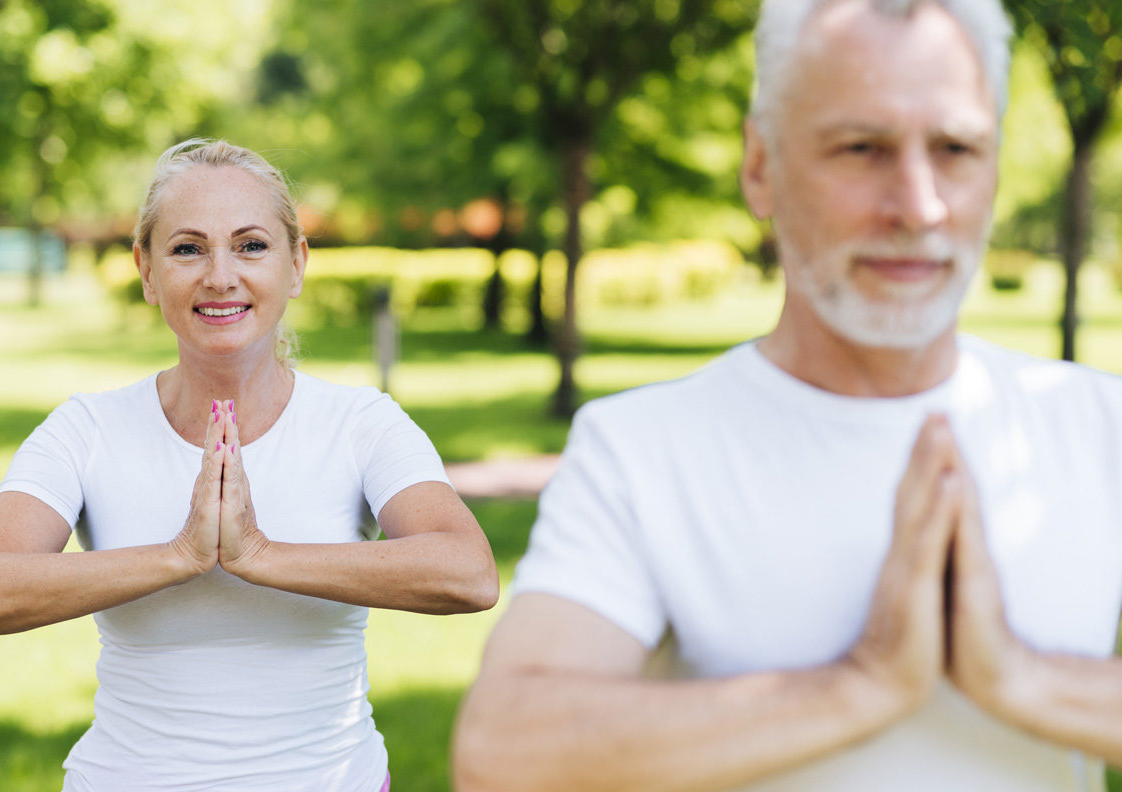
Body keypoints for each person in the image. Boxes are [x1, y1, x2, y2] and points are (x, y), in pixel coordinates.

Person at [453, 1, 1122, 790]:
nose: (918, 204)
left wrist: (1016, 677)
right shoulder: (642, 450)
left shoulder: (1098, 424)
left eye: (955, 148)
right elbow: (504, 752)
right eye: (862, 147)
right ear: (760, 166)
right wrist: (865, 682)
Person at [0, 139, 499, 792]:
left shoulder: (360, 424)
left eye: (251, 245)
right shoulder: (87, 430)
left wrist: (260, 555)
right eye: (187, 248)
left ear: (296, 264)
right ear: (146, 271)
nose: (220, 275)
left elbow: (469, 574)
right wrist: (178, 556)